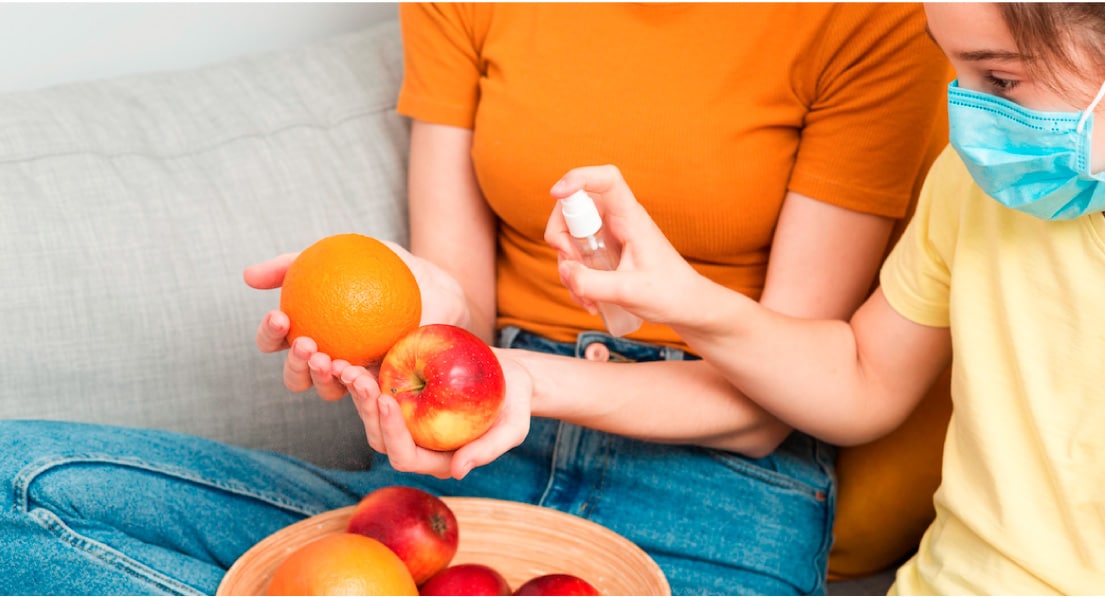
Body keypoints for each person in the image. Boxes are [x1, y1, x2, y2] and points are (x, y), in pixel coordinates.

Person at [0, 4, 947, 595]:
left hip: (717, 495)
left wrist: (522, 381)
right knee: (17, 486)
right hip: (473, 475)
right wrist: (396, 302)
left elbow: (769, 401)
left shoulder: (875, 19)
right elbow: (456, 302)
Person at [546, 3, 1105, 594]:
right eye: (955, 71)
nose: (968, 116)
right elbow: (863, 377)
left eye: (1000, 80)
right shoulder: (967, 186)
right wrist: (679, 296)